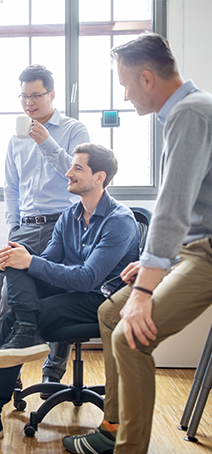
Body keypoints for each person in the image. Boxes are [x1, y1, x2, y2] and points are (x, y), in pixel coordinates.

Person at [62, 33, 212, 454]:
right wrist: (150, 265)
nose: (125, 95)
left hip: (207, 253)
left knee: (131, 334)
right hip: (190, 250)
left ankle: (126, 447)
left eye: (125, 84)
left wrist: (146, 289)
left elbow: (173, 207)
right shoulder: (187, 111)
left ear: (147, 78)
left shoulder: (190, 113)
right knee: (112, 313)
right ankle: (112, 427)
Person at [0, 143, 140, 451]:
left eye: (78, 168)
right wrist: (20, 259)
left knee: (15, 313)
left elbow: (87, 279)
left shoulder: (120, 221)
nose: (68, 172)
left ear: (99, 176)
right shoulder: (70, 217)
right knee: (15, 257)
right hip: (73, 294)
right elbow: (44, 265)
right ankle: (26, 328)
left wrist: (31, 261)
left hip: (102, 301)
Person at [0, 64, 91, 392]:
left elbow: (79, 175)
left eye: (36, 95)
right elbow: (10, 188)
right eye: (24, 96)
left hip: (63, 224)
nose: (29, 103)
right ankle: (11, 371)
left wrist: (47, 142)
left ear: (51, 95)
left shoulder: (74, 130)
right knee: (10, 297)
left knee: (59, 293)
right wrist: (12, 227)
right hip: (25, 227)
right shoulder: (15, 140)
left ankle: (53, 371)